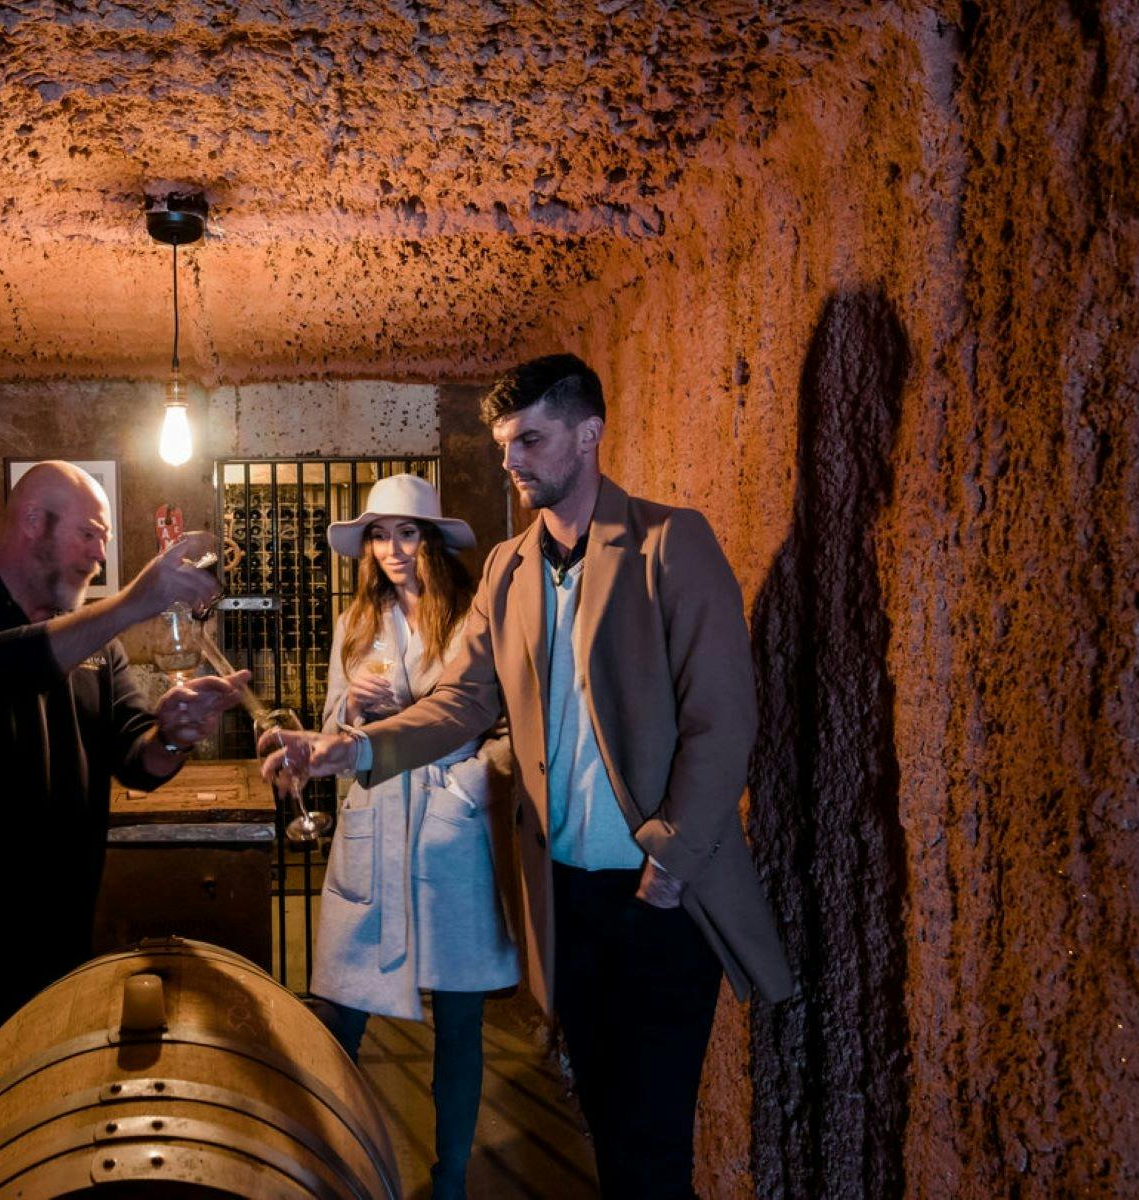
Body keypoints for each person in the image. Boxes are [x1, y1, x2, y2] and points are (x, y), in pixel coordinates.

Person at [263, 356, 794, 1200]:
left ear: (588, 436)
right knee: (610, 1131)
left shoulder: (668, 542)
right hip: (567, 898)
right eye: (506, 445)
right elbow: (460, 701)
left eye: (531, 441)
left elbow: (721, 720)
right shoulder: (510, 568)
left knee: (653, 1140)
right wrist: (350, 751)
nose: (512, 463)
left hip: (660, 895)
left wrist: (669, 865)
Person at [0, 461, 248, 1196]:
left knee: (26, 1160)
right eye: (93, 533)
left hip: (45, 959)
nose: (102, 554)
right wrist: (136, 602)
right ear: (33, 522)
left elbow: (135, 752)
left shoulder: (94, 646)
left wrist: (174, 732)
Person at [312, 474, 519, 1200]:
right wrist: (354, 719)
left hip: (446, 835)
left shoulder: (472, 619)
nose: (393, 549)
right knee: (339, 1015)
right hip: (373, 828)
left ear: (430, 540)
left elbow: (502, 729)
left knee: (458, 1021)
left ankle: (451, 1179)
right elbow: (334, 720)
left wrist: (459, 791)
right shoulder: (353, 623)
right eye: (379, 533)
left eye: (406, 532)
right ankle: (331, 1167)